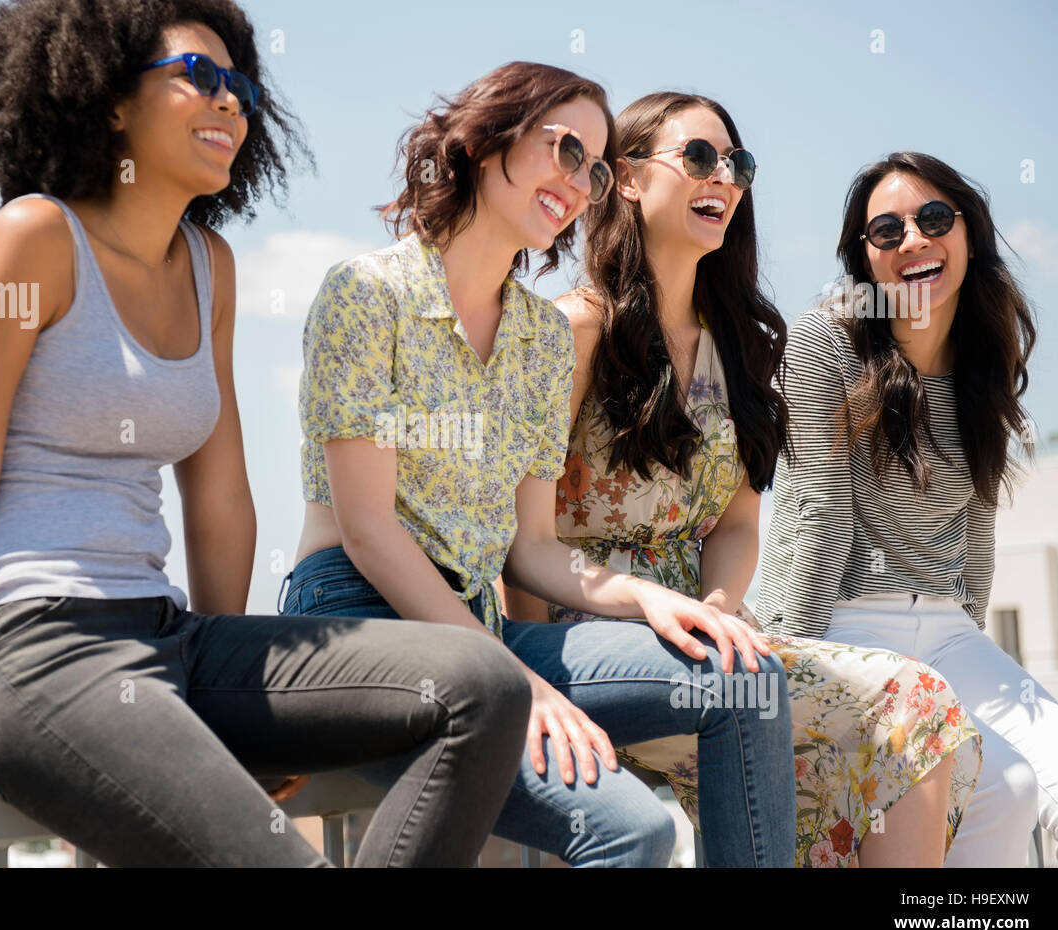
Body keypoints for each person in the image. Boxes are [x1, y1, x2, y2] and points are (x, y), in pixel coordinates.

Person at [0, 0, 533, 868]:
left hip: (169, 638)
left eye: (240, 88)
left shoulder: (207, 266)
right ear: (110, 99)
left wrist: (240, 716)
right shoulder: (30, 239)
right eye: (198, 77)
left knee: (482, 685)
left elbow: (219, 497)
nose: (229, 102)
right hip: (34, 650)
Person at [282, 62, 797, 867]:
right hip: (360, 624)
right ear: (488, 145)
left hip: (479, 629)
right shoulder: (366, 292)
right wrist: (516, 687)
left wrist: (652, 602)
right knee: (637, 828)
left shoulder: (541, 338)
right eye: (564, 150)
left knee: (744, 672)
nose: (580, 181)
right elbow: (369, 532)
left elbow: (531, 547)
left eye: (595, 168)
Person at [502, 93, 982, 867]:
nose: (722, 177)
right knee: (878, 703)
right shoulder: (574, 330)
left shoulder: (746, 345)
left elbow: (733, 524)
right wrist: (538, 682)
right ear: (624, 179)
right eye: (698, 157)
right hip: (580, 636)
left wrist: (719, 610)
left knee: (911, 713)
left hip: (708, 634)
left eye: (737, 165)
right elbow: (516, 541)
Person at [757, 150, 1058, 868]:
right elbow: (817, 516)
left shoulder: (981, 356)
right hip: (841, 620)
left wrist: (969, 646)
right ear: (863, 257)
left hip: (947, 626)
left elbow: (979, 529)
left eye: (934, 218)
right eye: (886, 230)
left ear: (969, 233)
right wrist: (785, 680)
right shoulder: (825, 342)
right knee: (1006, 786)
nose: (913, 240)